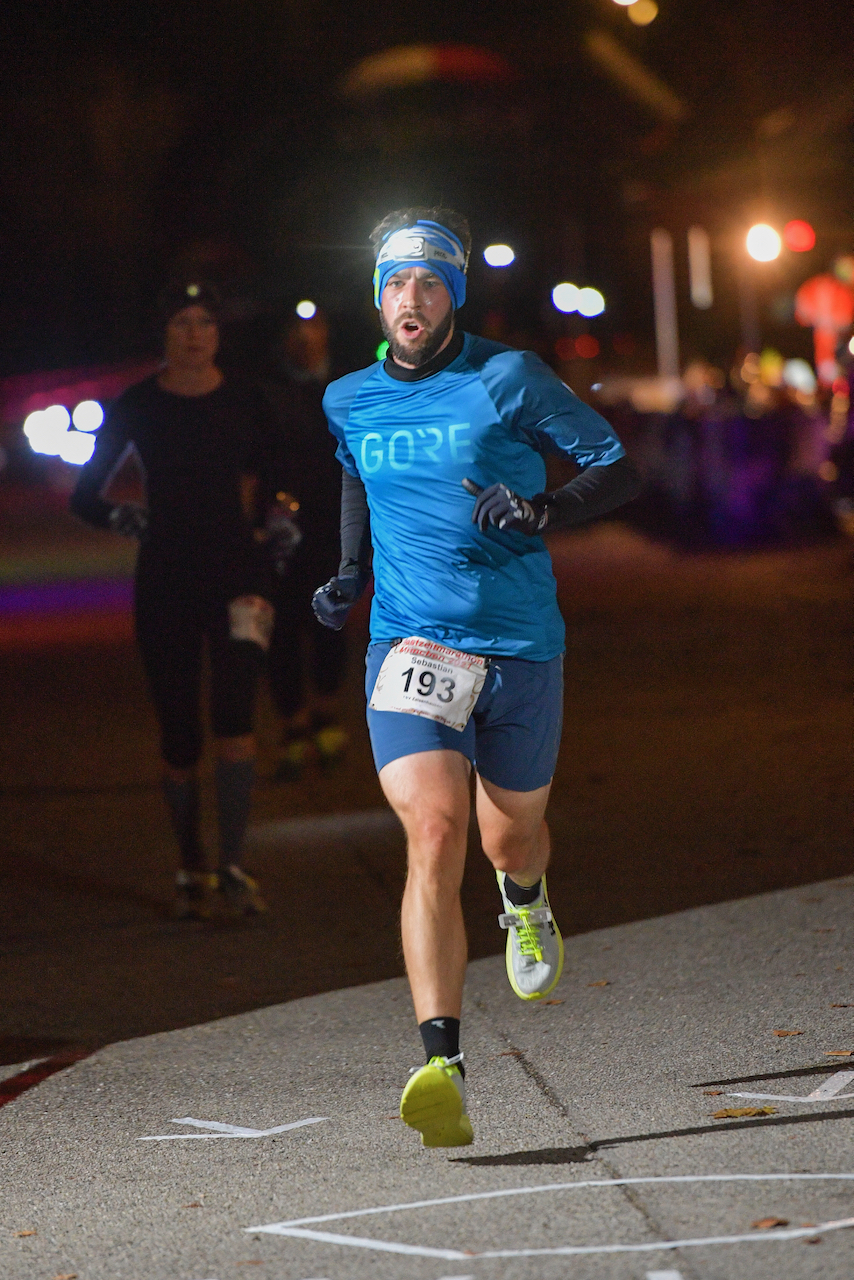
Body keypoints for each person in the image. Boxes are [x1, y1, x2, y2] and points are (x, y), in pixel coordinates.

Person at [313, 208, 641, 1147]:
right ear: (376, 296)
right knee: (435, 827)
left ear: (452, 294)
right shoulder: (349, 398)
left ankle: (526, 902)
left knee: (510, 838)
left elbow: (615, 465)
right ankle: (441, 1062)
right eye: (393, 284)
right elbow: (353, 478)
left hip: (519, 644)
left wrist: (541, 508)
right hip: (411, 646)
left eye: (427, 283)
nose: (408, 300)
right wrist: (347, 571)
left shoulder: (505, 378)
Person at [71, 281, 286, 920]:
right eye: (181, 323)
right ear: (163, 334)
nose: (193, 335)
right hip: (166, 576)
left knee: (236, 718)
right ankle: (191, 863)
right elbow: (86, 493)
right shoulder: (139, 404)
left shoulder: (248, 399)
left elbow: (281, 475)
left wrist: (277, 519)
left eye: (204, 323)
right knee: (179, 731)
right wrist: (125, 518)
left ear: (218, 334)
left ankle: (234, 866)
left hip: (238, 575)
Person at [261, 309, 349, 778]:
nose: (305, 337)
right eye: (294, 328)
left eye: (313, 326)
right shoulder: (267, 390)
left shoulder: (348, 388)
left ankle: (326, 710)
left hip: (336, 527)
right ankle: (292, 723)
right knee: (282, 627)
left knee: (330, 622)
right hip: (281, 530)